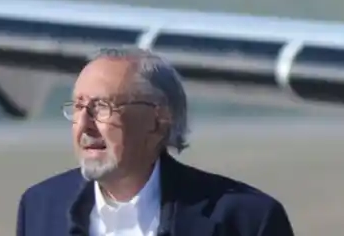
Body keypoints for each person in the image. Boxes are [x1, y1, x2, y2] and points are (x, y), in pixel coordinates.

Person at [15, 46, 296, 236]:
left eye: (101, 107)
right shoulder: (40, 207)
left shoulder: (248, 220)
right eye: (77, 107)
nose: (84, 125)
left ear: (157, 119)